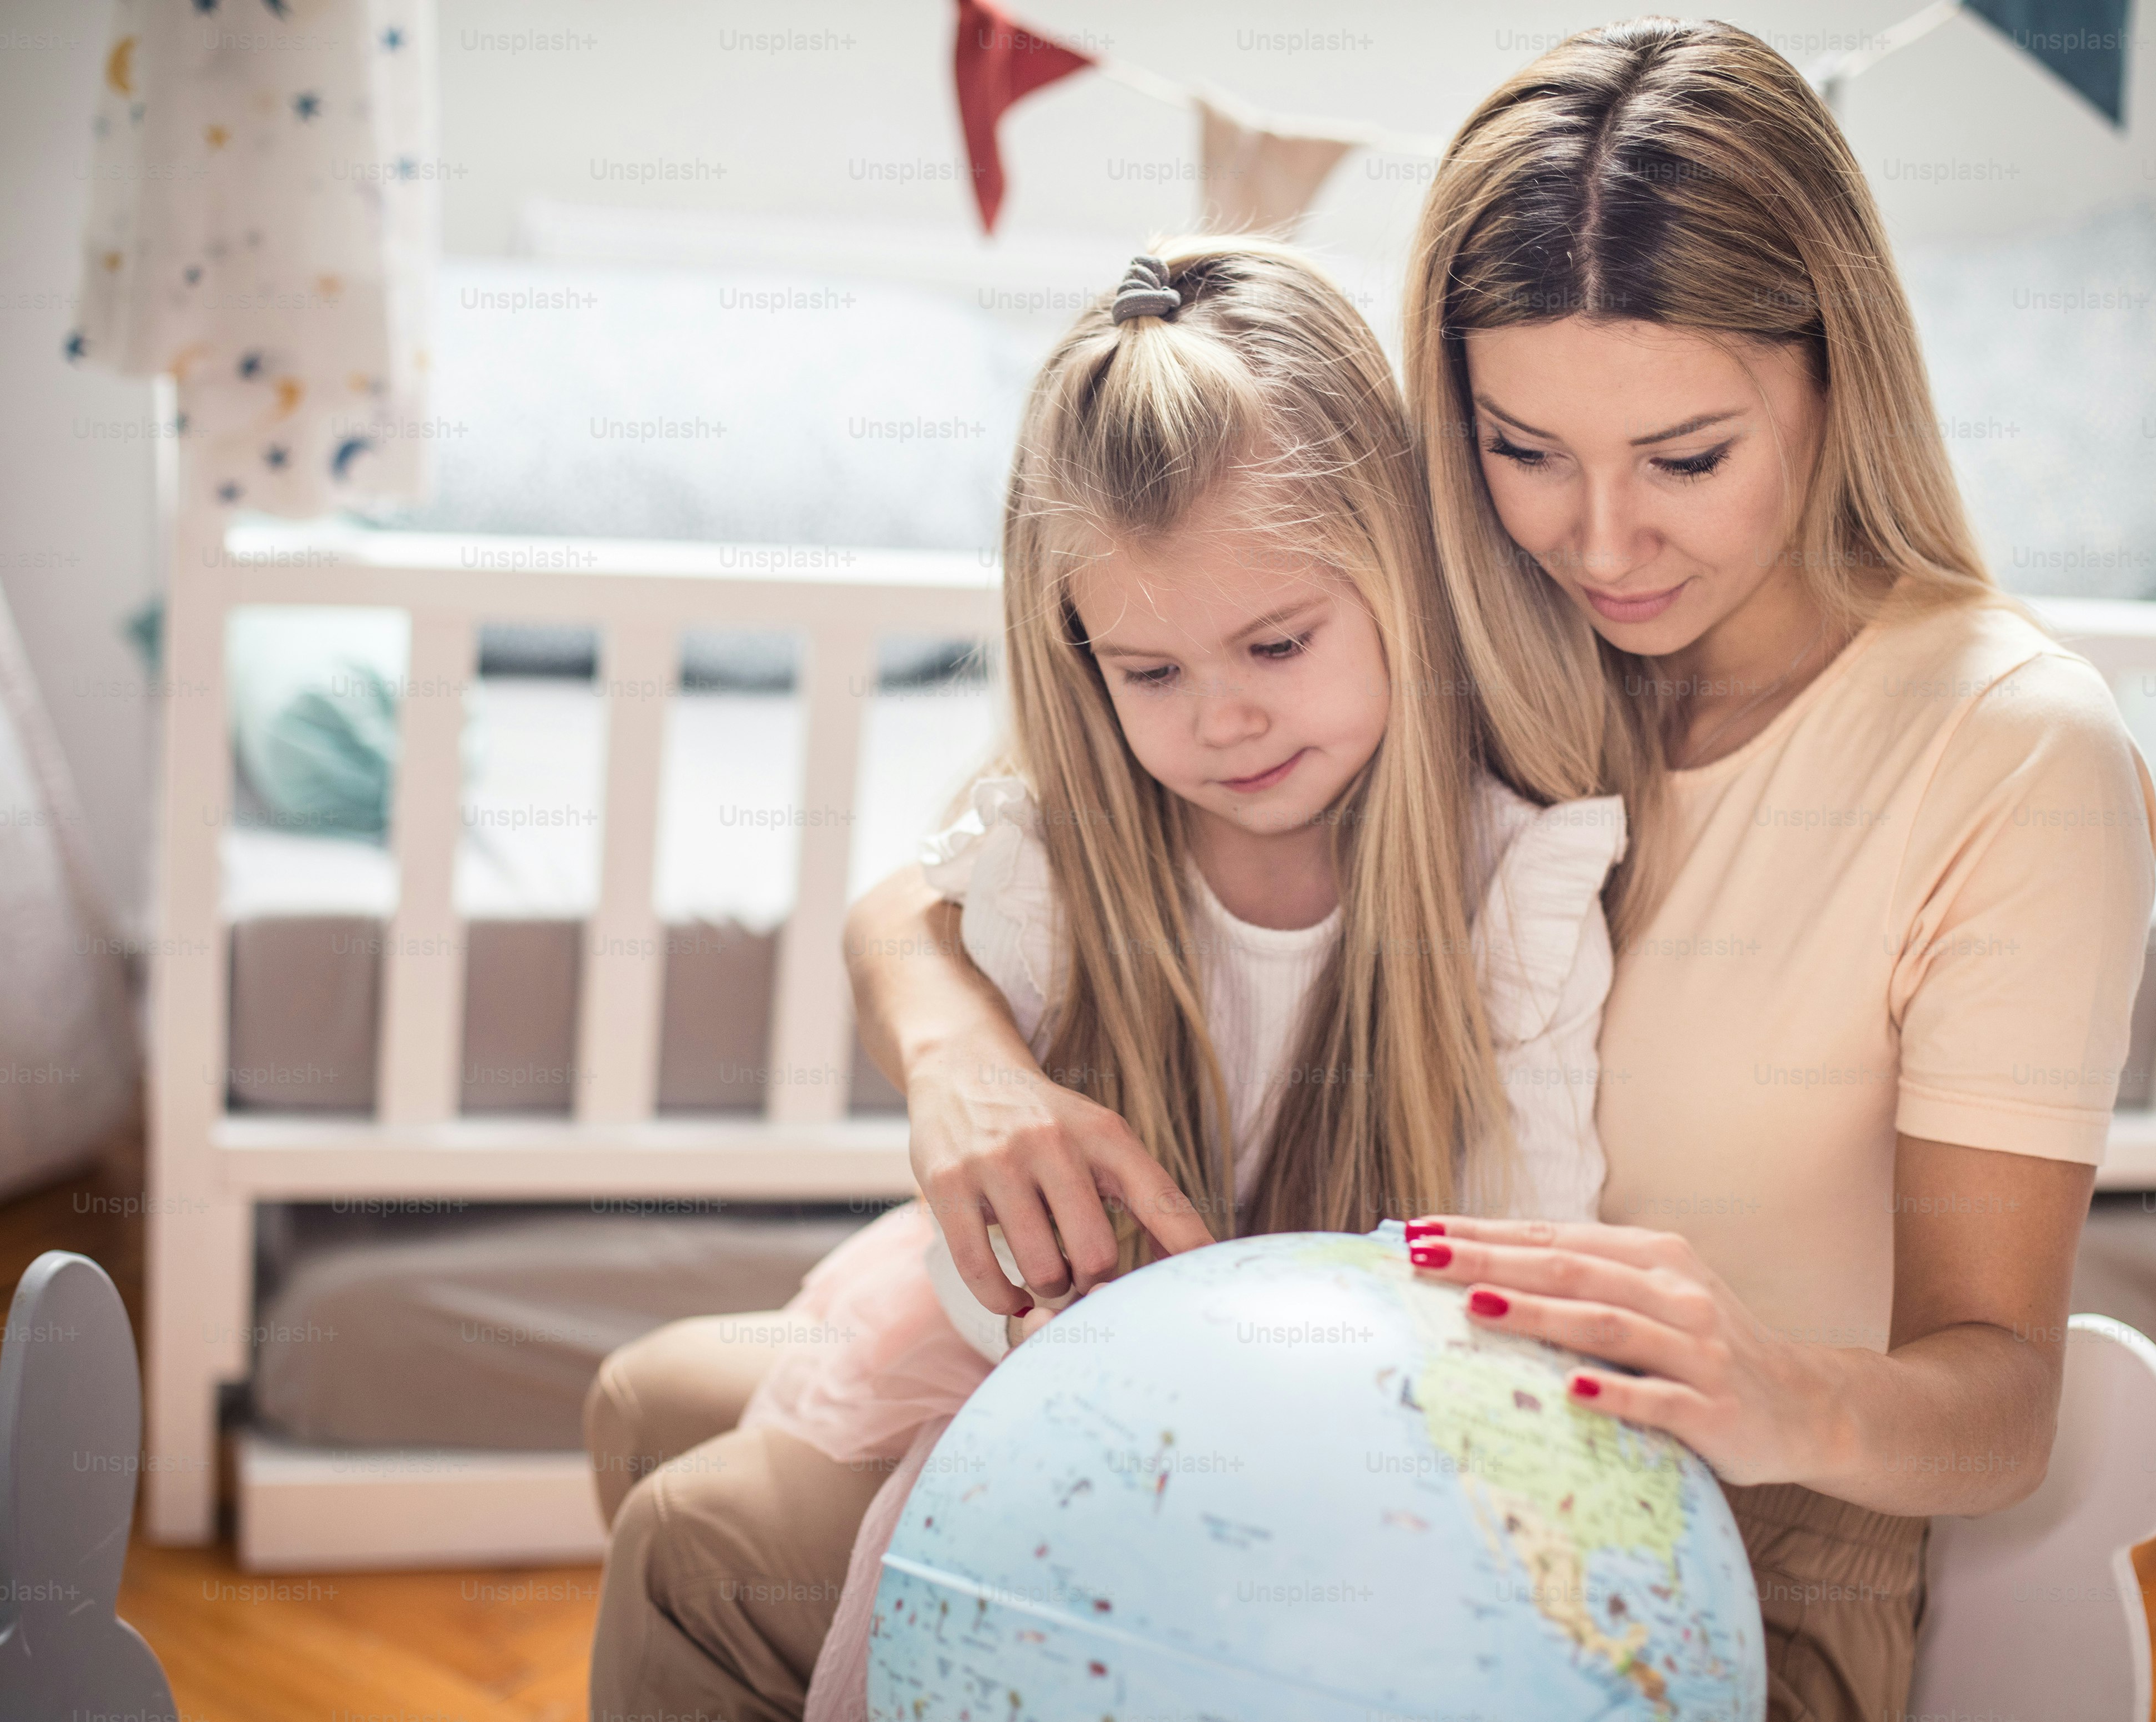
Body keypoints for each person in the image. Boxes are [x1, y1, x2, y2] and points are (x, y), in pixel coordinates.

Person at [839, 21, 2156, 1721]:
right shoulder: (1468, 612)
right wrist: (952, 1045)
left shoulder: (2011, 748)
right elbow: (1003, 850)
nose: (1601, 543)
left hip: (1700, 1550)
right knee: (668, 1428)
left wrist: (1780, 1392)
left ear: (1839, 374)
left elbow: (1998, 1400)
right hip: (1373, 1461)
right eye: (1523, 448)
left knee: (719, 1542)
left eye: (1686, 458)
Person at [585, 238, 1625, 1722]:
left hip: (1325, 1444)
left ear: (1404, 571)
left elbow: (1519, 1271)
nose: (1224, 718)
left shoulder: (1511, 889)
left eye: (1277, 640)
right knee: (639, 1395)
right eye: (1149, 671)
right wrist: (1028, 1248)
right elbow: (975, 1240)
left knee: (692, 1537)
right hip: (1058, 1370)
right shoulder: (1058, 858)